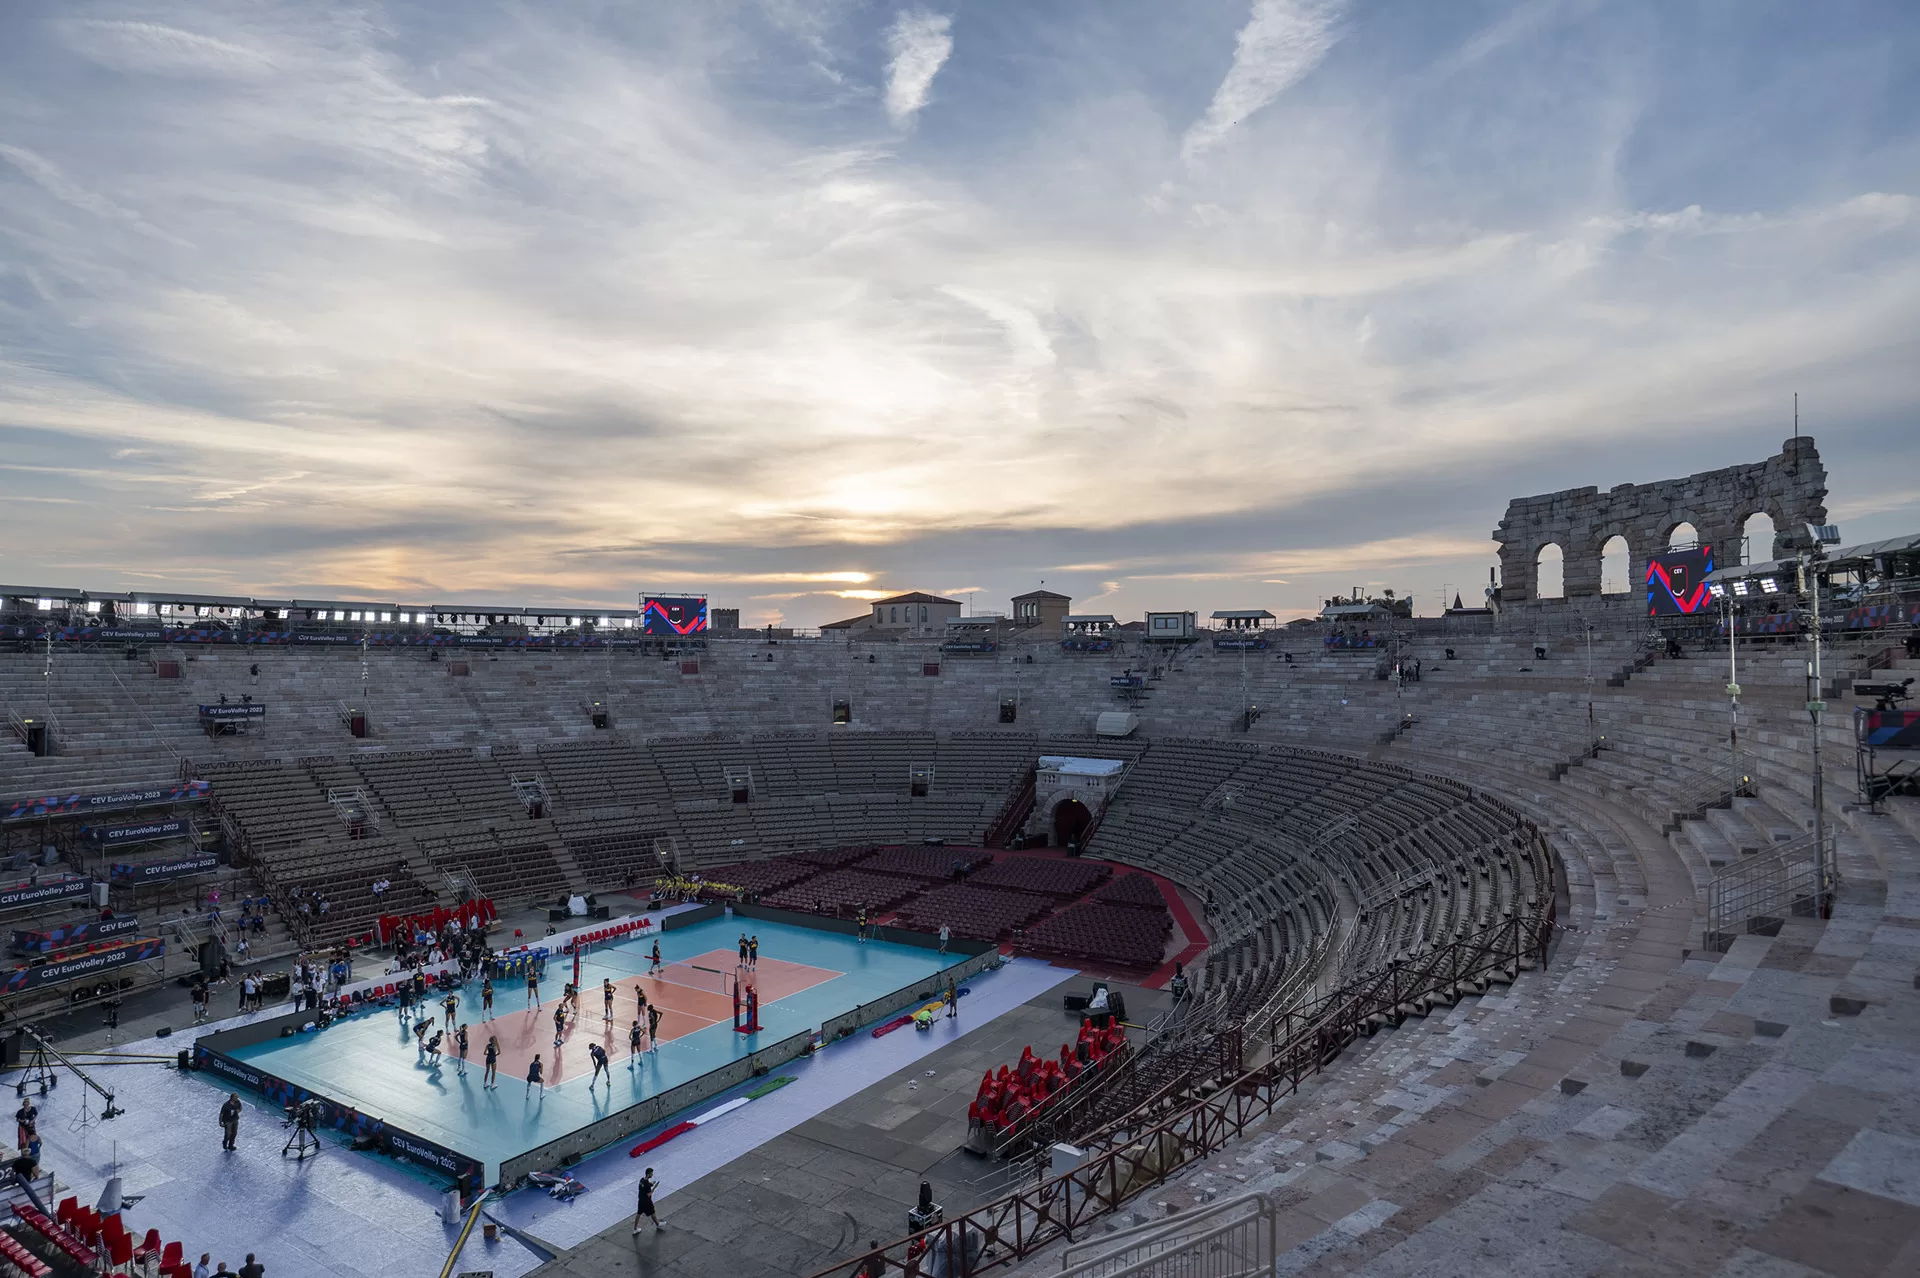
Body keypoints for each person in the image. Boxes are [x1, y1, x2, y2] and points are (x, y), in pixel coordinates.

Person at [632, 1167, 662, 1234]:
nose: (652, 1175)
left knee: (638, 1214)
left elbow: (645, 1185)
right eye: (651, 1174)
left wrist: (651, 1184)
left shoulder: (642, 1180)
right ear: (648, 1174)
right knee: (652, 1212)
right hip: (647, 1201)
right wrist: (654, 1188)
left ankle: (635, 1228)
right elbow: (649, 1194)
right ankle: (658, 1224)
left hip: (640, 1200)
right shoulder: (647, 1185)